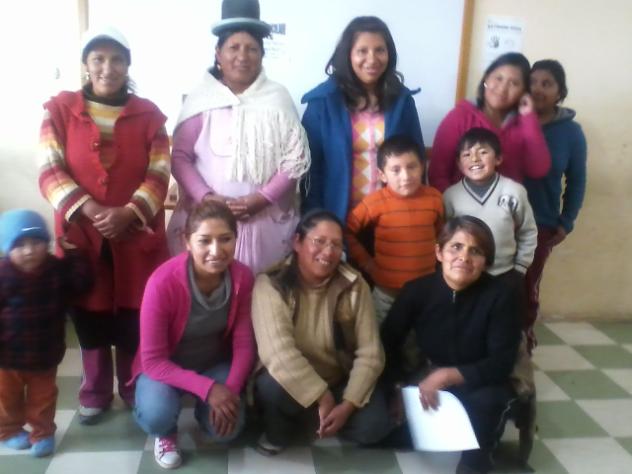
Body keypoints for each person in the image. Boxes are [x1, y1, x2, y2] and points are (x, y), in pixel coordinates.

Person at [37, 26, 171, 424]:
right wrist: (91, 209)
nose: (107, 68)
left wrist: (129, 212)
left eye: (117, 60)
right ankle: (94, 391)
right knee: (88, 312)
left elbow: (160, 173)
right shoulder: (59, 110)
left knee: (135, 311)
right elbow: (49, 169)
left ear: (128, 65)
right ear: (85, 64)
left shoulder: (150, 116)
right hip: (81, 234)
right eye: (98, 59)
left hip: (136, 234)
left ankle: (132, 387)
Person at [166, 0, 310, 274]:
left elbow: (295, 160)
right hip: (207, 222)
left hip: (264, 222)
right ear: (218, 53)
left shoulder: (278, 99)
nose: (242, 56)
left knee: (260, 290)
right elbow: (180, 157)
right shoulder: (201, 100)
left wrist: (262, 198)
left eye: (252, 48)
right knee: (205, 287)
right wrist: (206, 197)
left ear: (262, 55)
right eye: (234, 47)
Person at [381, 216, 521, 474]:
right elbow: (388, 342)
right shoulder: (416, 291)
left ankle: (478, 457)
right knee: (381, 433)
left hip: (480, 378)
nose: (464, 257)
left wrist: (448, 376)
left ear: (486, 262)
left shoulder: (500, 296)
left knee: (488, 403)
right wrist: (397, 388)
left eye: (475, 251)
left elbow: (502, 362)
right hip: (427, 373)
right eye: (456, 247)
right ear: (439, 252)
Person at [251, 210, 391, 455]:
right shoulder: (271, 284)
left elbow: (371, 352)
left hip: (338, 380)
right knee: (271, 387)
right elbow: (278, 354)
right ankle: (294, 425)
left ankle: (320, 420)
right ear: (297, 242)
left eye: (336, 245)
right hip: (290, 383)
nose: (328, 252)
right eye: (319, 241)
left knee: (374, 427)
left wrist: (348, 405)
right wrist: (321, 396)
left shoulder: (354, 284)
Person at [131, 201, 255, 470]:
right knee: (156, 414)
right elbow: (153, 361)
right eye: (204, 241)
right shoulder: (162, 282)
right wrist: (209, 389)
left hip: (213, 364)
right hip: (164, 368)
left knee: (227, 431)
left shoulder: (243, 278)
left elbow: (244, 344)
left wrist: (230, 392)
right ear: (186, 241)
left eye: (225, 239)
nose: (216, 251)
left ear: (236, 239)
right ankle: (166, 433)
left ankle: (205, 413)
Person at [301, 16, 425, 223]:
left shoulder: (402, 102)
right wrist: (315, 219)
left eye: (380, 50)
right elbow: (311, 170)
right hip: (337, 218)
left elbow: (417, 160)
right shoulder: (323, 103)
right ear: (348, 54)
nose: (372, 59)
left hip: (392, 219)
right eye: (362, 51)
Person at [0, 210, 92, 457]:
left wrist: (74, 254)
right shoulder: (2, 275)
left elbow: (80, 283)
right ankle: (9, 431)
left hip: (46, 354)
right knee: (7, 400)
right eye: (20, 245)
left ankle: (43, 433)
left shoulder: (55, 269)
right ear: (7, 248)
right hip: (7, 359)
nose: (29, 250)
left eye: (36, 242)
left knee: (43, 399)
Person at [524, 60, 587, 351]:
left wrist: (566, 221)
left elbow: (577, 180)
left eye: (547, 84)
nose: (538, 89)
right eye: (533, 82)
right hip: (500, 219)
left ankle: (522, 340)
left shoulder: (571, 133)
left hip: (541, 223)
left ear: (560, 92)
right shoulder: (511, 121)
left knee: (527, 286)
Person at [345, 135, 443, 322]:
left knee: (421, 338)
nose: (405, 176)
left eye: (412, 167)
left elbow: (441, 235)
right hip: (386, 294)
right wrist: (366, 261)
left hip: (425, 292)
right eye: (396, 170)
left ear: (422, 167)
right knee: (379, 335)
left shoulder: (435, 198)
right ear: (382, 175)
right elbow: (346, 231)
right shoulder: (374, 202)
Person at [429, 52, 551, 192]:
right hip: (460, 204)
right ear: (486, 79)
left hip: (508, 204)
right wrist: (453, 203)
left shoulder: (525, 123)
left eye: (514, 83)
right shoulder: (459, 117)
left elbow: (538, 170)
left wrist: (529, 118)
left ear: (523, 91)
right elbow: (438, 174)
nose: (503, 88)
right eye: (498, 78)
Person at [443, 128, 537, 281]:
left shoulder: (514, 191)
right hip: (464, 273)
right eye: (467, 154)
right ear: (459, 164)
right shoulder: (450, 196)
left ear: (498, 158)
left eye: (483, 152)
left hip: (504, 273)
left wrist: (521, 267)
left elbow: (528, 232)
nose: (474, 159)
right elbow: (445, 237)